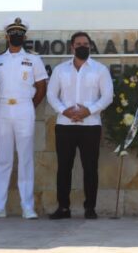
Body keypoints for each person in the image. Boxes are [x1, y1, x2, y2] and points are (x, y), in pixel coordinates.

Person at [0, 17, 48, 220]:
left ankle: (27, 207)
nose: (16, 36)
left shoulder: (34, 60)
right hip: (3, 108)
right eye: (13, 33)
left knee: (25, 158)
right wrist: (3, 101)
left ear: (24, 37)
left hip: (24, 108)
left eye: (20, 33)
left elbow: (41, 87)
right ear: (7, 36)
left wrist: (28, 105)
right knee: (3, 158)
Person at [47, 31, 114, 219]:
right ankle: (63, 208)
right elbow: (52, 95)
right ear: (72, 47)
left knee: (90, 168)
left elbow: (108, 96)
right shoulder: (60, 70)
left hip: (91, 126)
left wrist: (89, 111)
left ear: (90, 46)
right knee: (64, 168)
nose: (82, 46)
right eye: (78, 44)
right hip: (65, 125)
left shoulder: (100, 70)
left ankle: (90, 208)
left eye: (86, 43)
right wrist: (64, 111)